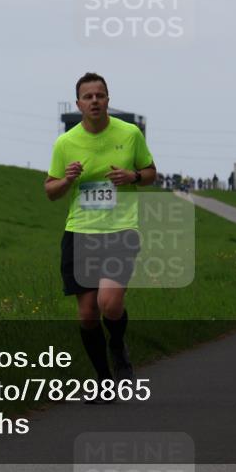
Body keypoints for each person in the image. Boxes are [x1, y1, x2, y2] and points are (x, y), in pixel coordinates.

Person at [45, 73, 156, 395]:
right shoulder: (65, 143)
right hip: (80, 233)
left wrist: (132, 175)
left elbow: (151, 173)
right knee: (88, 313)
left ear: (108, 99)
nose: (95, 101)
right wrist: (66, 181)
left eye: (100, 95)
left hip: (121, 230)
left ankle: (118, 346)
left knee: (108, 303)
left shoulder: (130, 133)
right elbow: (50, 191)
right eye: (88, 96)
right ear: (78, 103)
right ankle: (103, 379)